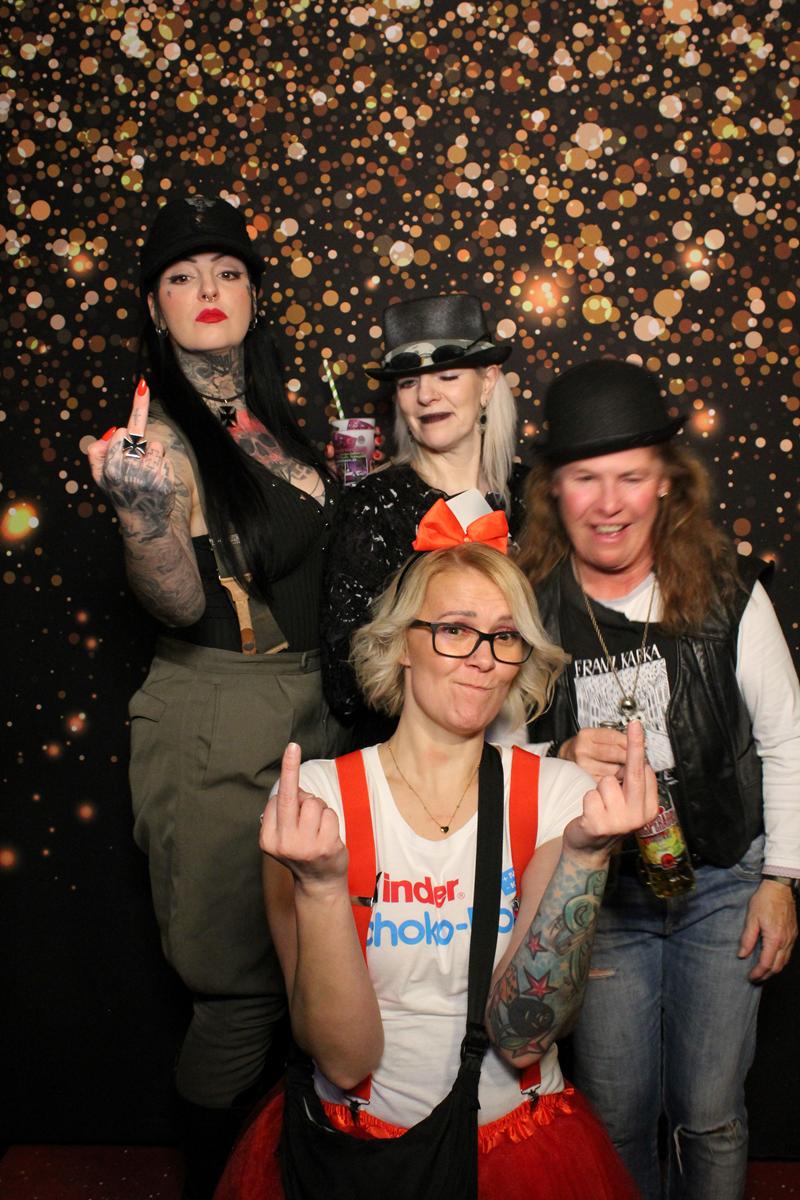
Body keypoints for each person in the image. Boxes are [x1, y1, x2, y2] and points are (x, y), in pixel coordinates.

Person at [216, 535, 651, 1200]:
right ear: (401, 643)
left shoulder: (558, 797)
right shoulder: (320, 801)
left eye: (504, 636)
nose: (483, 657)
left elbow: (523, 1037)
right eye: (455, 630)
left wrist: (587, 856)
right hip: (355, 1153)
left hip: (518, 1145)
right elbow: (344, 1061)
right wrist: (323, 886)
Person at [86, 195, 346, 1199]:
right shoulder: (158, 439)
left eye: (228, 271)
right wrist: (143, 519)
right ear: (154, 306)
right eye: (182, 276)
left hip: (314, 710)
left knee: (319, 981)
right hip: (219, 716)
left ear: (254, 296)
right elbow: (178, 601)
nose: (208, 289)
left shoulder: (267, 420)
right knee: (238, 998)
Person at [515, 357, 800, 1200]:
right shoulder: (528, 606)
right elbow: (490, 765)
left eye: (631, 477)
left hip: (721, 884)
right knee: (616, 1114)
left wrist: (782, 879)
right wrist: (557, 758)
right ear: (554, 490)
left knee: (709, 1114)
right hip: (600, 899)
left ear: (666, 483)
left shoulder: (729, 592)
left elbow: (786, 740)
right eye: (586, 478)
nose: (609, 504)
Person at [321, 291, 529, 746]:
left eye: (448, 376)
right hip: (410, 755)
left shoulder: (530, 496)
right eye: (408, 382)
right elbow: (345, 684)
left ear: (488, 382)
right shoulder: (374, 506)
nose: (426, 395)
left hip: (528, 749)